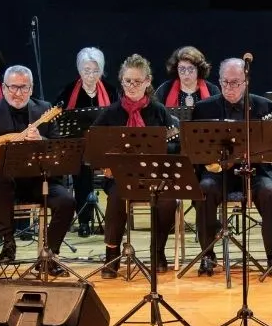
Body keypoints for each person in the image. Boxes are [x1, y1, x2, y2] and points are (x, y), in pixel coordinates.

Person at [0, 65, 75, 273]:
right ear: (4, 88)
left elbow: (59, 148)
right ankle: (8, 242)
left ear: (31, 89)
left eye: (24, 88)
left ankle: (48, 255)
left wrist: (41, 140)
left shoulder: (44, 110)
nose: (18, 93)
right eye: (13, 87)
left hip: (36, 180)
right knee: (2, 178)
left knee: (67, 201)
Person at [191, 58, 272, 277]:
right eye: (225, 82)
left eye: (235, 82)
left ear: (246, 82)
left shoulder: (265, 106)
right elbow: (195, 150)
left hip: (254, 171)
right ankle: (207, 255)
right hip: (218, 173)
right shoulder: (204, 108)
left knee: (269, 191)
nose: (230, 88)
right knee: (204, 189)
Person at [90, 54, 179, 277]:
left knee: (168, 200)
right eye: (127, 81)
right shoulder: (110, 113)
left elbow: (176, 145)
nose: (131, 86)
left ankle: (157, 251)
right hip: (120, 178)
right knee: (118, 195)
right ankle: (112, 256)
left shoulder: (158, 111)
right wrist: (106, 165)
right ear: (121, 81)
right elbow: (93, 146)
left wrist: (161, 151)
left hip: (153, 176)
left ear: (147, 82)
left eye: (137, 81)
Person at [52, 47, 118, 237]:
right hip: (78, 146)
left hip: (105, 145)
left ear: (102, 70)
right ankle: (84, 220)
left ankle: (114, 219)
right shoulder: (67, 92)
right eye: (86, 71)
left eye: (95, 71)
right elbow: (57, 121)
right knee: (82, 167)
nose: (91, 75)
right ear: (79, 70)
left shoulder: (112, 91)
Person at [153, 45, 220, 109]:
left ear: (199, 69)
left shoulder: (212, 90)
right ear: (176, 69)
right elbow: (155, 115)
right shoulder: (165, 89)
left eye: (191, 69)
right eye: (182, 69)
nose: (186, 73)